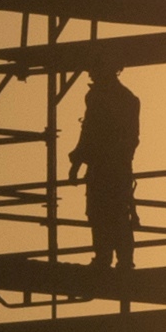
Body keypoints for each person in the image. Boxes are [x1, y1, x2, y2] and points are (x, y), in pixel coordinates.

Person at [68, 66, 141, 268]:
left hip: (106, 167)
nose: (91, 76)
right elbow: (131, 139)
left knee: (104, 213)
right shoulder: (127, 99)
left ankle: (107, 258)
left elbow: (89, 132)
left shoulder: (102, 98)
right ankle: (120, 259)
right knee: (113, 213)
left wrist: (77, 162)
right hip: (114, 166)